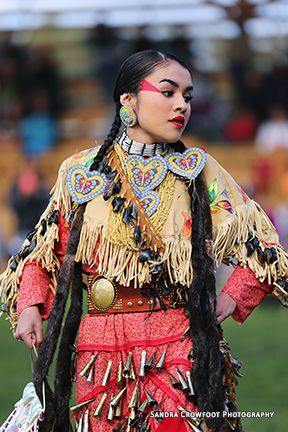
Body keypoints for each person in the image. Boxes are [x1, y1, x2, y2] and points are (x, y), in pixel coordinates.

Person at [1, 50, 288, 432]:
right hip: (99, 351)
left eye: (187, 95)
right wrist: (29, 306)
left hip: (181, 343)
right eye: (168, 92)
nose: (181, 105)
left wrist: (231, 295)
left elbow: (264, 248)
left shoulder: (199, 170)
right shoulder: (82, 171)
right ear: (128, 100)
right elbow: (42, 251)